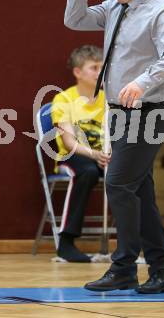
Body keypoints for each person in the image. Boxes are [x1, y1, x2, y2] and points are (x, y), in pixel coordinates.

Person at [64, 0, 164, 293]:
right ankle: (162, 271)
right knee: (140, 190)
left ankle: (124, 267)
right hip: (120, 112)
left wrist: (142, 80)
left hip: (150, 111)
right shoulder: (114, 8)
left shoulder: (162, 11)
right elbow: (73, 19)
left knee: (118, 183)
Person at [51, 45, 110, 262]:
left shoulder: (109, 98)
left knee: (130, 173)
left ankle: (131, 243)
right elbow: (68, 142)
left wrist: (109, 155)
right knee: (86, 172)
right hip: (73, 156)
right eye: (94, 67)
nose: (100, 72)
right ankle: (66, 243)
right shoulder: (63, 99)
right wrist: (95, 155)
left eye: (102, 67)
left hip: (103, 155)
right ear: (78, 72)